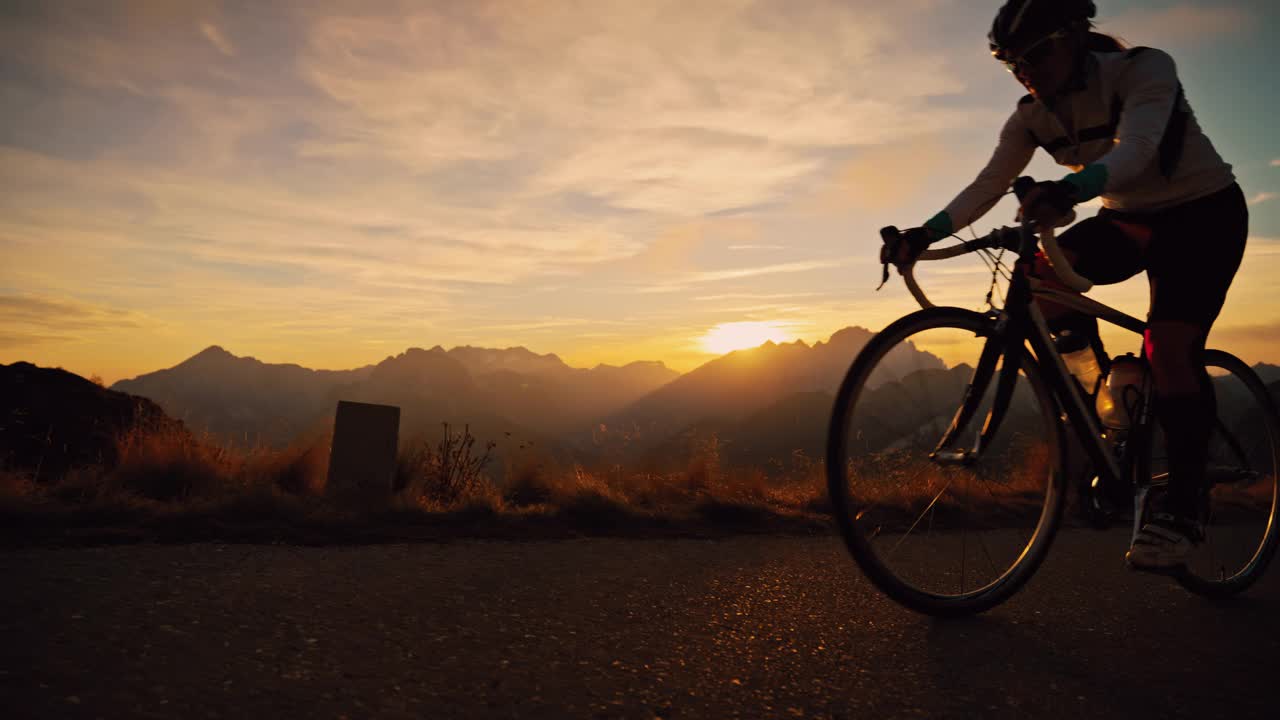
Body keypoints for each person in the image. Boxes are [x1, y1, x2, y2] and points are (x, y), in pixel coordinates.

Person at [889, 0, 1249, 572]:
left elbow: (1140, 148)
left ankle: (1184, 505)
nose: (1024, 69)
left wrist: (1070, 191)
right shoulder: (1031, 115)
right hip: (1128, 217)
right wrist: (921, 234)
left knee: (1171, 347)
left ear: (1075, 37)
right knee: (1038, 280)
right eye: (1010, 62)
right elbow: (988, 184)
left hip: (1204, 214)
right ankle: (1098, 403)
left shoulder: (1142, 69)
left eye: (1034, 54)